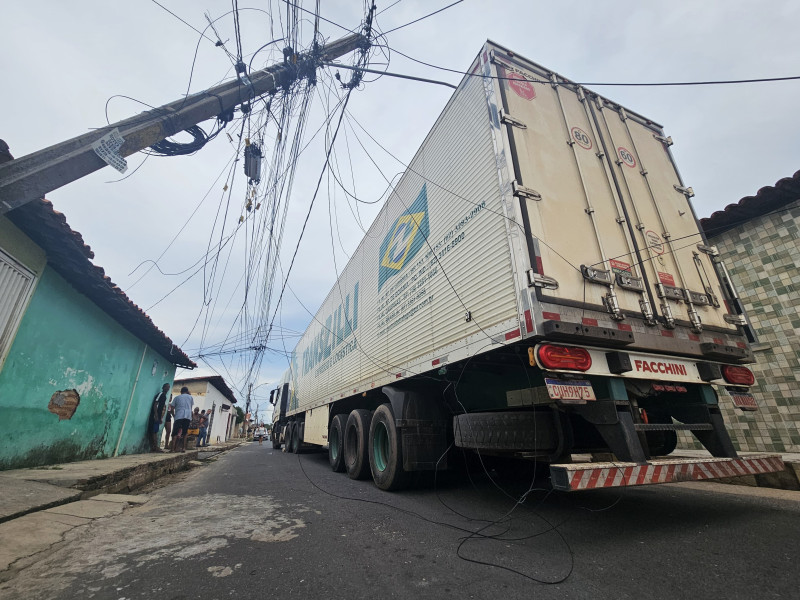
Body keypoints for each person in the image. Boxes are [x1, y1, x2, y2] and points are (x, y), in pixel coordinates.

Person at [169, 386, 194, 453]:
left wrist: (174, 415)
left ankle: (172, 449)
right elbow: (191, 407)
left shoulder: (177, 397)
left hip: (179, 416)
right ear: (187, 391)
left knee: (175, 432)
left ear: (181, 391)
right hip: (187, 416)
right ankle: (183, 448)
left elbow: (172, 408)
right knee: (185, 433)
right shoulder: (190, 397)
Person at [147, 383, 170, 453]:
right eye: (166, 387)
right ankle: (155, 447)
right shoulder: (160, 394)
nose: (168, 388)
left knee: (155, 431)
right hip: (155, 415)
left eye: (168, 387)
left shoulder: (165, 396)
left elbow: (161, 408)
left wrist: (160, 418)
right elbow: (155, 404)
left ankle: (154, 447)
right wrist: (156, 416)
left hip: (158, 416)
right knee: (154, 431)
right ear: (163, 387)